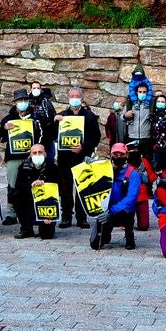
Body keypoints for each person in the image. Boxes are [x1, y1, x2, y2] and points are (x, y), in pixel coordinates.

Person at [55, 87, 101, 229]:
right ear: (68, 98)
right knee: (65, 189)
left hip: (81, 157)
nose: (74, 98)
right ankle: (66, 217)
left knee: (82, 187)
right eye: (72, 96)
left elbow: (96, 137)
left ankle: (82, 218)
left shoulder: (89, 116)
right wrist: (55, 121)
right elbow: (51, 134)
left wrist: (84, 147)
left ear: (81, 98)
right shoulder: (62, 115)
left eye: (77, 96)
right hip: (64, 159)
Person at [0, 89, 42, 227]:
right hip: (13, 157)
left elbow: (42, 135)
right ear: (15, 103)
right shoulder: (8, 118)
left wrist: (36, 149)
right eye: (19, 101)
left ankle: (33, 212)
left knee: (33, 183)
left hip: (31, 156)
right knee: (12, 184)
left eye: (24, 100)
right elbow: (1, 138)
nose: (22, 103)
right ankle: (11, 213)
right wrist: (5, 128)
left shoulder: (35, 117)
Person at [91, 143, 142, 250]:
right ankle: (105, 234)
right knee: (95, 244)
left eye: (121, 154)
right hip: (105, 209)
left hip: (123, 210)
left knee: (128, 213)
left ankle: (129, 234)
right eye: (115, 154)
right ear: (111, 155)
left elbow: (131, 199)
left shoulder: (133, 174)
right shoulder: (106, 170)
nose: (118, 157)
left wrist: (112, 211)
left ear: (127, 155)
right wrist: (89, 165)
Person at [14, 144, 60, 240]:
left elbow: (58, 186)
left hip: (46, 203)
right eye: (34, 153)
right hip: (29, 201)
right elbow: (18, 185)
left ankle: (47, 223)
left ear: (45, 154)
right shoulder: (23, 167)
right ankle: (26, 228)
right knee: (16, 196)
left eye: (40, 152)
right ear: (30, 154)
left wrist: (44, 182)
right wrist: (31, 184)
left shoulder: (52, 167)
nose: (37, 155)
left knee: (47, 236)